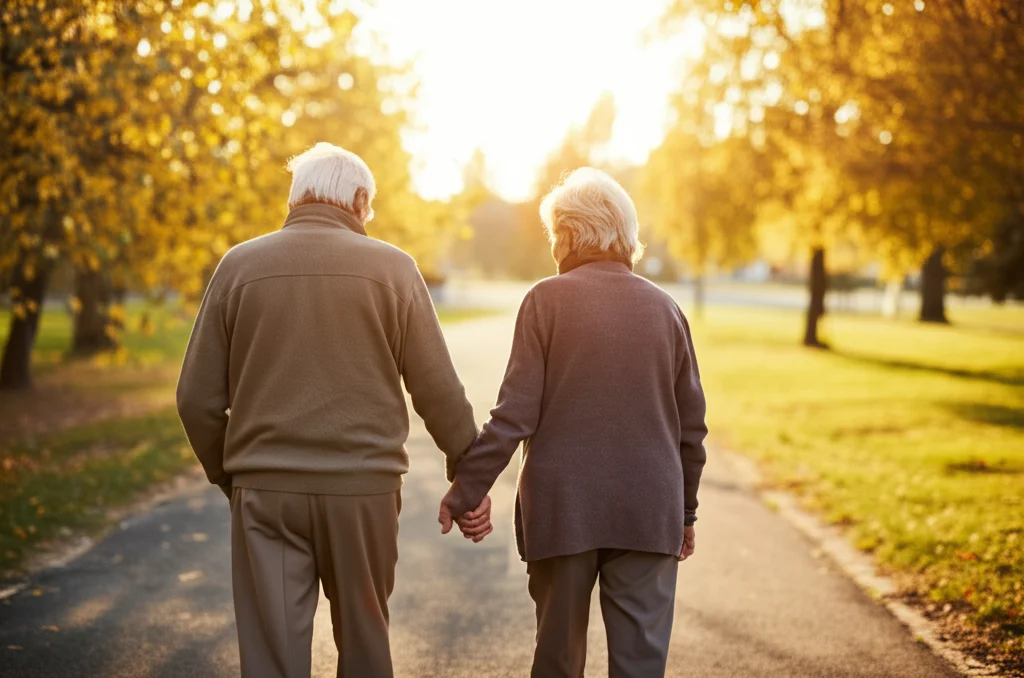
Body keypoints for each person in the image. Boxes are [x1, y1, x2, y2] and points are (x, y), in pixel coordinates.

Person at [176, 142, 492, 678]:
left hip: (266, 494)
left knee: (272, 660)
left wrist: (234, 477)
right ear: (361, 199)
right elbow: (437, 389)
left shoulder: (239, 265)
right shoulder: (394, 270)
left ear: (296, 197)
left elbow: (195, 399)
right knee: (367, 649)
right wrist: (470, 474)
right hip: (363, 493)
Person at [439, 167, 708, 678]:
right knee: (640, 664)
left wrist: (466, 489)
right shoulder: (666, 309)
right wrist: (686, 513)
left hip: (564, 510)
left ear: (566, 235)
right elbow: (690, 431)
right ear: (625, 235)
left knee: (558, 660)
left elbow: (514, 414)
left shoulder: (545, 302)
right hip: (650, 509)